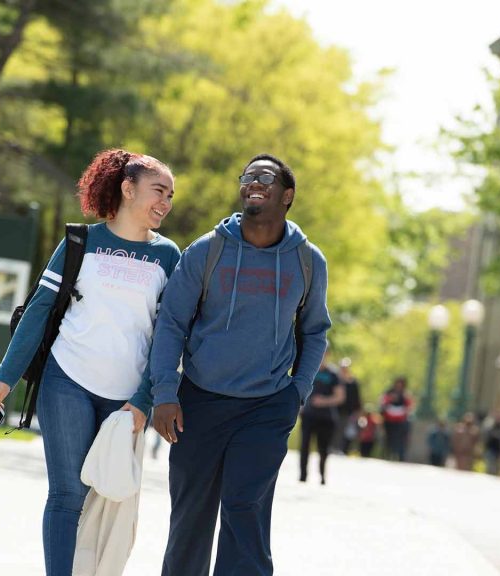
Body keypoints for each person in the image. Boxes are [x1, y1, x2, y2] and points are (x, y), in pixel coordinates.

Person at [0, 149, 180, 576]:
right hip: (66, 380)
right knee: (67, 494)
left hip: (126, 399)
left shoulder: (168, 256)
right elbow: (39, 309)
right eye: (158, 191)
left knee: (109, 497)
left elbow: (169, 337)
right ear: (128, 189)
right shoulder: (81, 242)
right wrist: (5, 377)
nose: (165, 202)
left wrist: (145, 399)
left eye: (171, 195)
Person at [148, 153, 331, 576]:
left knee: (244, 506)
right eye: (247, 176)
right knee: (190, 518)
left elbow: (315, 330)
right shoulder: (207, 250)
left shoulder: (307, 260)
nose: (253, 182)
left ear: (287, 195)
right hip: (199, 402)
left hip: (265, 407)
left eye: (264, 177)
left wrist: (296, 392)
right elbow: (172, 322)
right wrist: (164, 393)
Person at [299, 352, 345, 484]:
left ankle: (322, 477)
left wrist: (324, 401)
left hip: (326, 418)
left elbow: (340, 397)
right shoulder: (307, 369)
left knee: (323, 449)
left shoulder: (333, 374)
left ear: (328, 354)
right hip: (308, 415)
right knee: (304, 446)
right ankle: (302, 476)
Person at [379, 377, 413, 462]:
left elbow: (409, 406)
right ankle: (387, 454)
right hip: (388, 420)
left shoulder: (405, 394)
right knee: (388, 438)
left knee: (398, 439)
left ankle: (398, 455)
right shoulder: (388, 392)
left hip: (400, 420)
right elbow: (383, 403)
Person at [335, 357, 363, 454]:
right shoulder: (335, 379)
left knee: (343, 430)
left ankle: (339, 448)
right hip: (334, 409)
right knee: (333, 429)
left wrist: (358, 412)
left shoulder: (353, 382)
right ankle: (330, 447)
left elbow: (357, 398)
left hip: (347, 411)